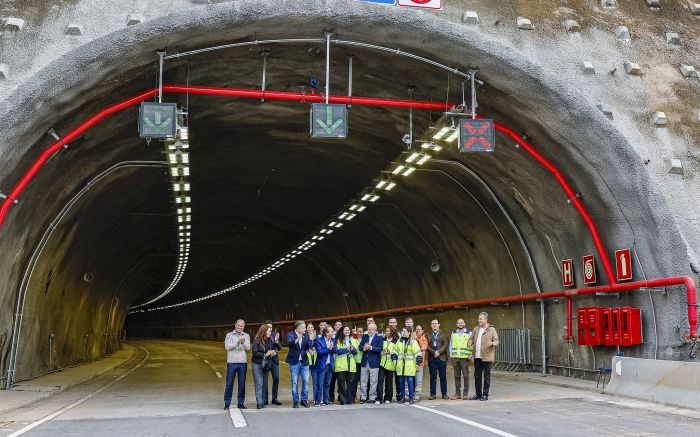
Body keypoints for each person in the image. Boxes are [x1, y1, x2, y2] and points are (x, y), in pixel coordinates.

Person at [468, 312, 499, 401]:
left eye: (481, 319)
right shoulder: (476, 329)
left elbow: (497, 341)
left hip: (487, 357)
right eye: (479, 319)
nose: (479, 320)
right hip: (477, 356)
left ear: (486, 320)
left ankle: (485, 394)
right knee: (477, 376)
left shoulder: (492, 330)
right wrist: (470, 342)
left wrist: (492, 343)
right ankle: (478, 394)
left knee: (486, 376)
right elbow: (471, 339)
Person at [224, 319, 250, 410]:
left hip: (242, 363)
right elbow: (227, 347)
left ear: (244, 327)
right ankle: (227, 403)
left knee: (242, 384)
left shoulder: (246, 336)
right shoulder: (229, 335)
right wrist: (237, 343)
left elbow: (248, 348)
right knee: (229, 384)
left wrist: (243, 343)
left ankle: (241, 403)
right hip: (232, 362)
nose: (239, 327)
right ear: (235, 325)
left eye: (241, 326)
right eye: (238, 325)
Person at [286, 320, 313, 408]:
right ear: (298, 328)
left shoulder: (306, 336)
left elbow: (309, 345)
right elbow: (289, 343)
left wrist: (311, 349)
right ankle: (295, 400)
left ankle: (304, 400)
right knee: (294, 382)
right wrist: (298, 339)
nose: (305, 329)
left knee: (305, 382)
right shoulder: (290, 335)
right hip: (294, 362)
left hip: (304, 362)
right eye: (304, 327)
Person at [394, 327, 422, 405]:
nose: (403, 333)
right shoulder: (400, 341)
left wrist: (418, 363)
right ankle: (402, 397)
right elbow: (395, 351)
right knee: (401, 382)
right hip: (401, 366)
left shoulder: (413, 342)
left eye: (404, 331)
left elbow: (418, 354)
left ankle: (411, 397)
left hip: (409, 366)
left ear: (409, 333)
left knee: (410, 381)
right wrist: (394, 357)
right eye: (403, 331)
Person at [252, 325, 277, 409]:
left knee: (264, 383)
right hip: (257, 363)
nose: (270, 333)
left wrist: (272, 353)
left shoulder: (270, 340)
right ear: (263, 331)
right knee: (259, 382)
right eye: (268, 331)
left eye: (270, 331)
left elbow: (269, 350)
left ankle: (262, 401)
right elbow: (255, 353)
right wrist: (265, 354)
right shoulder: (257, 341)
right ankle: (258, 402)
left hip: (266, 363)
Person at [358, 322, 383, 404]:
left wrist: (371, 347)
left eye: (371, 329)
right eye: (368, 329)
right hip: (365, 362)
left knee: (373, 382)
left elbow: (379, 349)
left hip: (374, 363)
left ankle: (372, 397)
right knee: (363, 381)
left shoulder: (379, 338)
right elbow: (360, 347)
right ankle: (363, 397)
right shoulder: (365, 337)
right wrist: (364, 348)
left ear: (375, 330)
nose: (369, 331)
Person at [333, 326, 358, 404]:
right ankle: (343, 400)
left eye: (348, 330)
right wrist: (346, 349)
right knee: (341, 384)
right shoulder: (337, 340)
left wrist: (353, 349)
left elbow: (356, 352)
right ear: (342, 331)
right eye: (345, 330)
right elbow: (336, 351)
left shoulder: (353, 340)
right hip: (341, 365)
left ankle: (350, 400)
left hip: (351, 365)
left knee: (351, 383)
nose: (347, 331)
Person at [449, 318, 473, 400]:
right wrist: (451, 355)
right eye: (458, 323)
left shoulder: (469, 333)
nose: (460, 324)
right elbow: (451, 345)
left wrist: (471, 354)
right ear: (457, 324)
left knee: (466, 376)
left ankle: (465, 394)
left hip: (464, 358)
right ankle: (457, 394)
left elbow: (473, 344)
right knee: (456, 376)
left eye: (461, 323)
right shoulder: (453, 333)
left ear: (464, 324)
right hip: (455, 358)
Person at [426, 319, 449, 400]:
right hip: (432, 358)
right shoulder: (427, 335)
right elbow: (426, 346)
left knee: (443, 377)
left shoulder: (444, 334)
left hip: (441, 358)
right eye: (433, 324)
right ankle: (433, 394)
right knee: (433, 377)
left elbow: (445, 345)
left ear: (439, 324)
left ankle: (444, 394)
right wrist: (434, 352)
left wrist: (438, 352)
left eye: (436, 323)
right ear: (431, 325)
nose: (434, 325)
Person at [312, 326, 335, 406]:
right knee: (320, 384)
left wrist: (333, 348)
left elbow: (335, 351)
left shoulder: (333, 340)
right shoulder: (319, 340)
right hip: (322, 365)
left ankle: (326, 400)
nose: (333, 332)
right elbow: (319, 352)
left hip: (330, 365)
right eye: (331, 331)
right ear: (326, 333)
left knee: (327, 384)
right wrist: (329, 349)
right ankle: (317, 401)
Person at [263, 320, 283, 406]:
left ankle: (274, 398)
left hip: (274, 361)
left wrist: (277, 341)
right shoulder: (262, 335)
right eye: (268, 327)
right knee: (265, 380)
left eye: (271, 327)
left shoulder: (275, 335)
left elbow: (279, 347)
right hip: (265, 361)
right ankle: (265, 399)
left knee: (276, 378)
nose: (270, 329)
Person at [377, 327, 398, 403]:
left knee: (389, 382)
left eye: (388, 331)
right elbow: (379, 350)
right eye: (385, 331)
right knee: (380, 381)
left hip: (390, 365)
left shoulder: (396, 341)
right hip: (382, 364)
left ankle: (388, 398)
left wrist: (390, 352)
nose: (386, 333)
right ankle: (379, 398)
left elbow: (397, 351)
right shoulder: (383, 340)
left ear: (392, 332)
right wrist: (382, 352)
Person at [329, 321, 342, 402]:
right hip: (332, 361)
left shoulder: (343, 335)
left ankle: (341, 396)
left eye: (339, 325)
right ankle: (331, 397)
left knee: (341, 381)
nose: (338, 326)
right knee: (331, 381)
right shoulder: (331, 336)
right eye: (336, 325)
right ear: (334, 327)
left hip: (340, 362)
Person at [414, 324, 428, 401]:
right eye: (416, 329)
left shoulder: (424, 339)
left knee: (418, 381)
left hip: (420, 363)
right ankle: (412, 394)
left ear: (422, 331)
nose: (417, 331)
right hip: (411, 363)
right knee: (412, 380)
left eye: (419, 329)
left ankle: (417, 395)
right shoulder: (412, 339)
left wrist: (417, 339)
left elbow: (423, 347)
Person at [351, 326, 364, 401]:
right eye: (358, 331)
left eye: (361, 332)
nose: (359, 333)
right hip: (355, 363)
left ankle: (363, 397)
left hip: (363, 363)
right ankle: (353, 397)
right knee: (354, 381)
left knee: (363, 381)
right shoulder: (352, 339)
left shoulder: (365, 339)